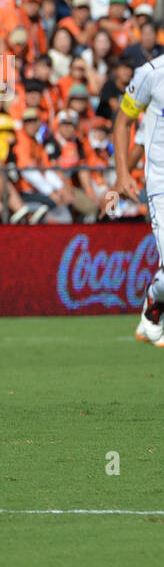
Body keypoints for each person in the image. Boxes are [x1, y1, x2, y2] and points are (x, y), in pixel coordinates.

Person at [114, 50, 164, 346]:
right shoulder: (151, 73)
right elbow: (122, 122)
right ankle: (154, 301)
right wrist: (122, 174)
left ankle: (155, 305)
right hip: (161, 184)